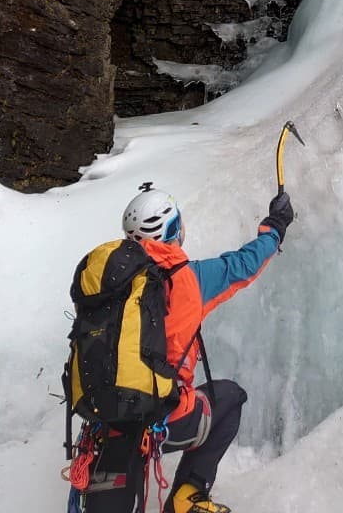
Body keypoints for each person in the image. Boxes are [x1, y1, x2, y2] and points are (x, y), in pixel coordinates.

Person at [101, 183, 294, 513]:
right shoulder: (190, 279)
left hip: (107, 420)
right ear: (173, 230)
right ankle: (186, 498)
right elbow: (243, 265)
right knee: (230, 398)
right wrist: (275, 226)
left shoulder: (105, 281)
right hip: (162, 420)